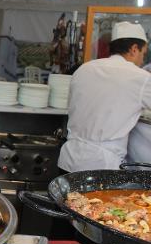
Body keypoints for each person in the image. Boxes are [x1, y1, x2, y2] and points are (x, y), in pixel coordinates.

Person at [58, 21, 151, 172]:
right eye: (143, 54)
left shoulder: (84, 69)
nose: (142, 60)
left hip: (69, 160)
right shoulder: (140, 78)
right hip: (101, 166)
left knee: (66, 196)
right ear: (134, 49)